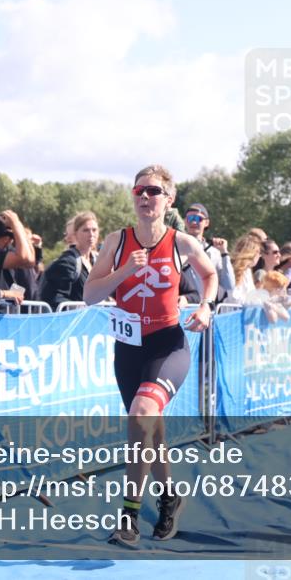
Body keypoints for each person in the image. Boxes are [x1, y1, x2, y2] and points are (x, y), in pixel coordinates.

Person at [83, 164, 216, 548]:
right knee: (149, 430)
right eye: (139, 190)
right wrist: (125, 270)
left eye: (154, 191)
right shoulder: (116, 241)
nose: (145, 197)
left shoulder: (181, 243)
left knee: (142, 415)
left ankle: (128, 516)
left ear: (168, 200)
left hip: (167, 344)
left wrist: (205, 307)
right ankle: (170, 496)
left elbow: (210, 276)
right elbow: (91, 295)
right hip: (127, 349)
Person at [39, 211, 99, 310]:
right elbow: (54, 298)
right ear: (75, 234)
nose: (91, 234)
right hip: (73, 322)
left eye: (94, 230)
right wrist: (80, 308)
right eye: (86, 230)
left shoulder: (97, 260)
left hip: (95, 322)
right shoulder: (67, 262)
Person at [180, 203, 235, 304]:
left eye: (198, 219)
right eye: (190, 218)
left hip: (206, 309)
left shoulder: (214, 252)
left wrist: (224, 253)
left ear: (206, 223)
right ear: (185, 221)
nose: (193, 222)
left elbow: (229, 285)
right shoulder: (177, 247)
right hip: (184, 307)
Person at [0, 210, 37, 296]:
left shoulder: (1, 251)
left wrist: (18, 225)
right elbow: (26, 259)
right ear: (6, 239)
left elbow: (30, 261)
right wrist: (16, 225)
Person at [228, 234, 262, 304]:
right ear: (252, 253)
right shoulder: (235, 270)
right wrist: (256, 302)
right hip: (233, 313)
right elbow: (235, 300)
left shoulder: (247, 271)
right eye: (259, 252)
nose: (260, 256)